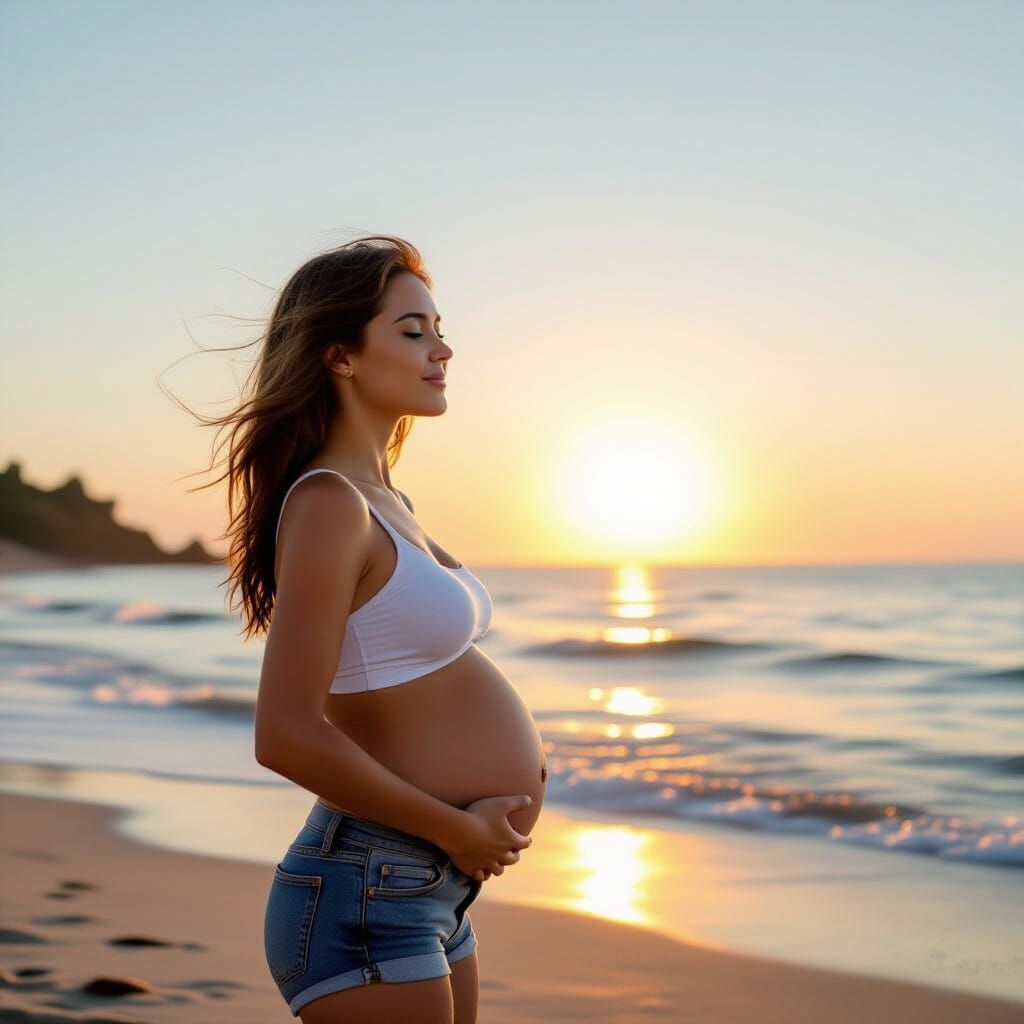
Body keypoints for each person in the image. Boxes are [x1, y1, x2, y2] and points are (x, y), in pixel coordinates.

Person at [212, 235, 547, 1022]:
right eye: (412, 330)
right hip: (372, 883)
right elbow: (285, 733)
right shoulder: (330, 504)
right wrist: (457, 829)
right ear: (340, 357)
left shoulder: (383, 497)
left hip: (423, 883)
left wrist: (458, 844)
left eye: (437, 328)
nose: (443, 348)